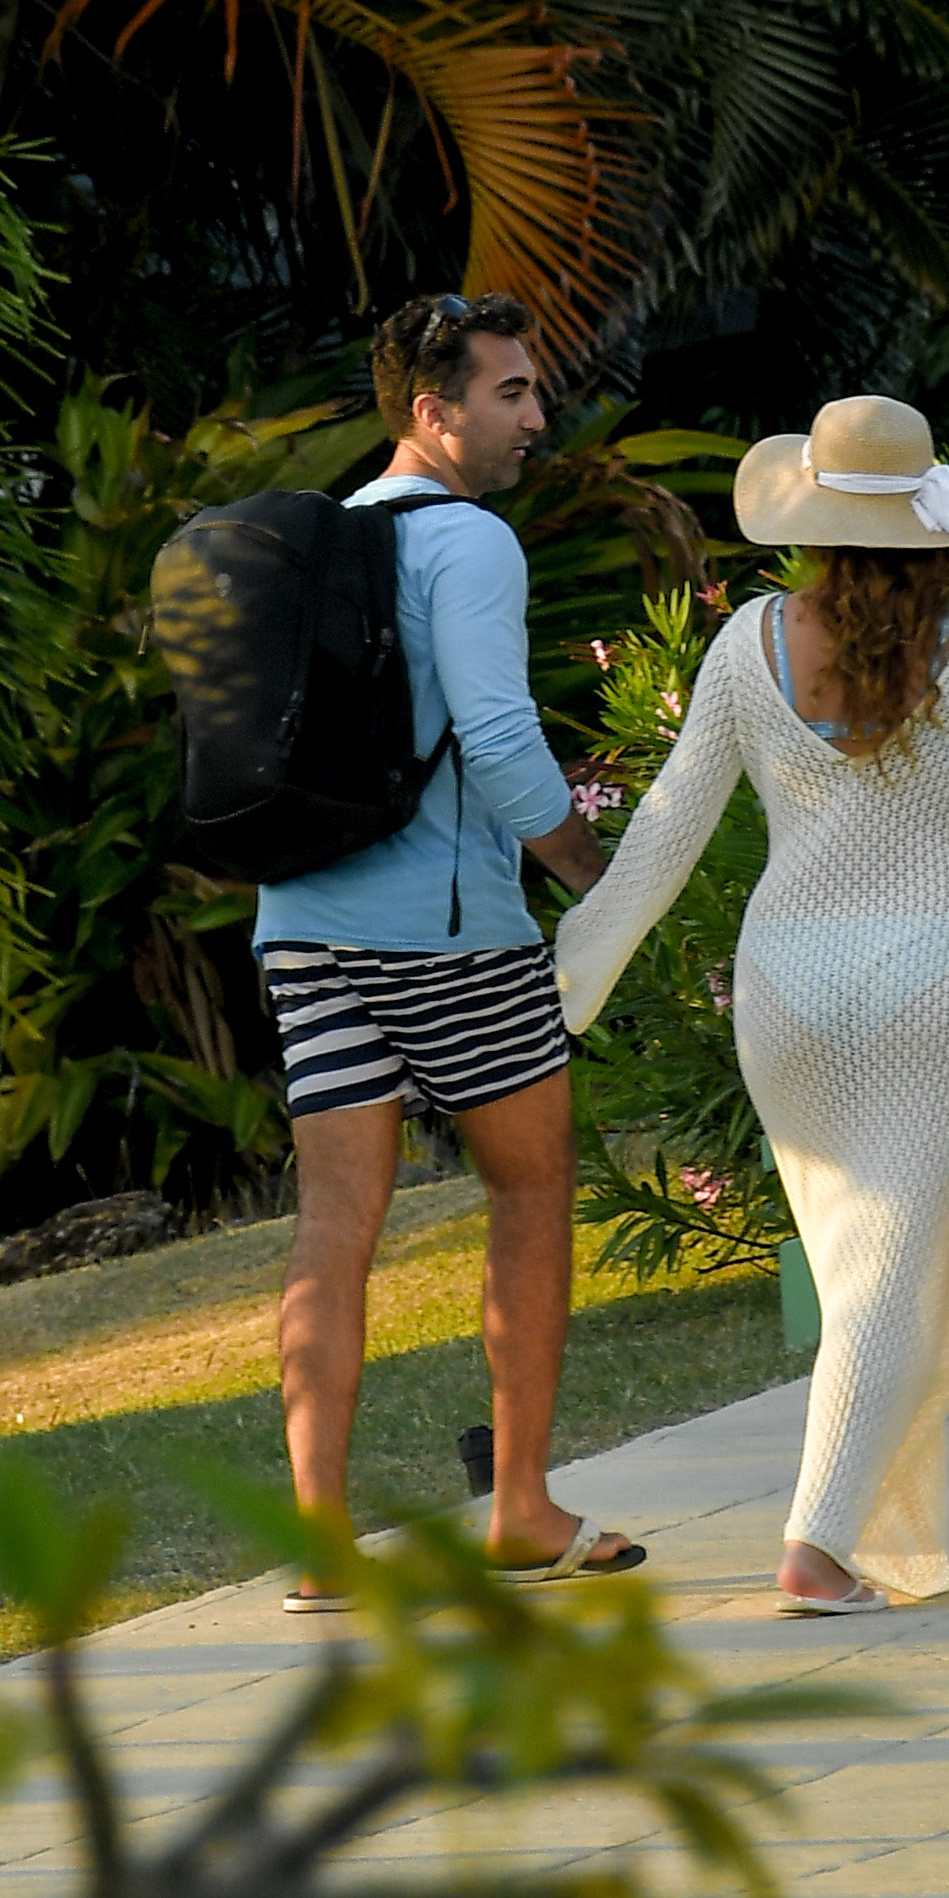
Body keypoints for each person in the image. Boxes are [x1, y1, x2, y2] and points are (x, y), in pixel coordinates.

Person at [553, 392, 949, 1613]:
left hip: (785, 994)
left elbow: (667, 829)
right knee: (903, 1283)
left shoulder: (748, 643)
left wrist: (570, 982)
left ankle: (844, 1532)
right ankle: (820, 1544)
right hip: (938, 989)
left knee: (859, 1274)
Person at [257, 288, 644, 1609]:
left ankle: (318, 1548)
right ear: (433, 411)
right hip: (446, 934)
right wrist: (596, 875)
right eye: (510, 394)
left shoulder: (327, 534)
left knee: (332, 1227)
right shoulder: (468, 546)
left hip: (301, 919)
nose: (537, 416)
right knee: (532, 1191)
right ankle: (523, 1508)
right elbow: (497, 741)